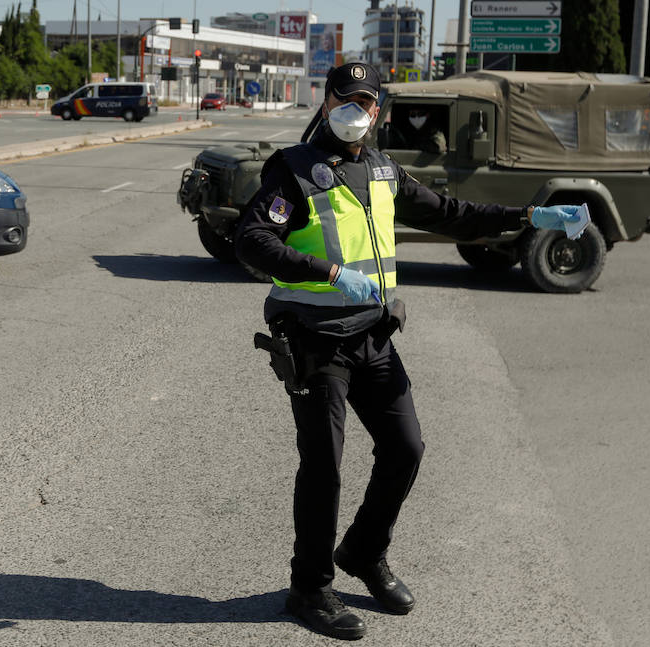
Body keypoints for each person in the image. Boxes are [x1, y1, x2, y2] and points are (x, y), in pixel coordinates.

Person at [234, 62, 581, 641]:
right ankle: (310, 588)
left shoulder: (382, 168)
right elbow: (251, 239)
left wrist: (528, 217)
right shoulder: (292, 171)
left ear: (378, 110)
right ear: (326, 103)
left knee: (406, 448)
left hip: (372, 334)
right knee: (325, 466)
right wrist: (329, 273)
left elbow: (452, 214)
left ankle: (365, 553)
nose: (357, 112)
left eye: (367, 104)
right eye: (347, 100)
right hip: (316, 340)